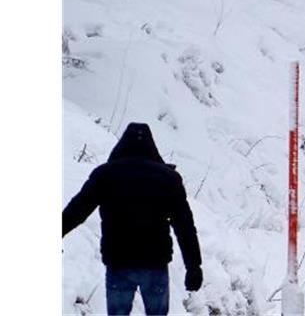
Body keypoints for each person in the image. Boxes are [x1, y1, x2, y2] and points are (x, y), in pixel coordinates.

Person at [63, 123, 203, 316]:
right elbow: (185, 226)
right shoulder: (169, 179)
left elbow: (77, 210)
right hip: (155, 264)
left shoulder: (105, 175)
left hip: (119, 263)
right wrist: (194, 266)